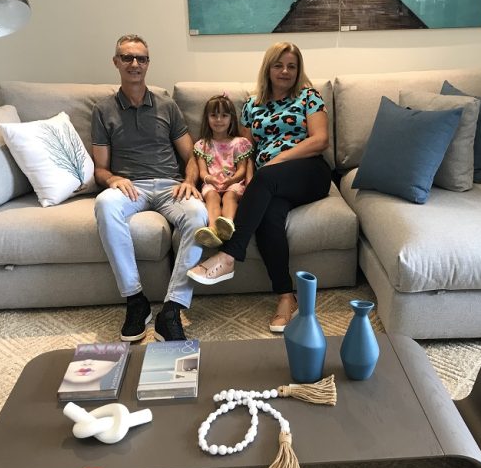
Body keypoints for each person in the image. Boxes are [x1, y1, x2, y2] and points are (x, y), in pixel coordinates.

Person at [187, 42, 331, 333]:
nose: (285, 71)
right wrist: (239, 179)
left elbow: (320, 140)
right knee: (269, 217)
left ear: (298, 70)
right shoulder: (252, 105)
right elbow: (246, 150)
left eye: (291, 66)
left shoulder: (309, 97)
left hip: (309, 172)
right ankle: (286, 297)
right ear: (268, 68)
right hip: (270, 182)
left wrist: (277, 161)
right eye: (279, 65)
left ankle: (229, 255)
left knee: (266, 177)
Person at [92, 34, 206, 343]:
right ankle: (135, 300)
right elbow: (100, 168)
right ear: (116, 62)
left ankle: (172, 309)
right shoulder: (103, 110)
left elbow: (191, 156)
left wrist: (189, 181)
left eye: (141, 58)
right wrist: (112, 179)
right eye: (127, 58)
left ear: (147, 63)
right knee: (104, 204)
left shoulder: (167, 106)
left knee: (198, 215)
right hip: (131, 187)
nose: (134, 64)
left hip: (171, 186)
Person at [192, 94, 253, 248]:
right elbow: (202, 172)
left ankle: (227, 225)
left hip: (233, 182)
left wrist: (232, 180)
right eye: (213, 115)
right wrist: (209, 179)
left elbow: (242, 169)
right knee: (212, 196)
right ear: (207, 118)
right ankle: (213, 229)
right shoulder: (202, 145)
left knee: (230, 196)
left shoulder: (239, 143)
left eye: (224, 115)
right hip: (211, 182)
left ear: (231, 118)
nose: (219, 120)